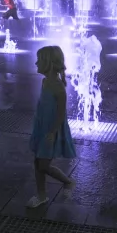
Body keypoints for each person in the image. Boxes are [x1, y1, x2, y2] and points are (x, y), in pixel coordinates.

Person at [27, 46, 76, 208]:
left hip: (51, 130)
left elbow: (62, 114)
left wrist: (53, 132)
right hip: (41, 127)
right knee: (37, 162)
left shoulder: (58, 88)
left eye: (39, 60)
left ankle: (68, 182)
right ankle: (41, 195)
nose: (36, 63)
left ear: (48, 63)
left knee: (44, 165)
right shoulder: (45, 81)